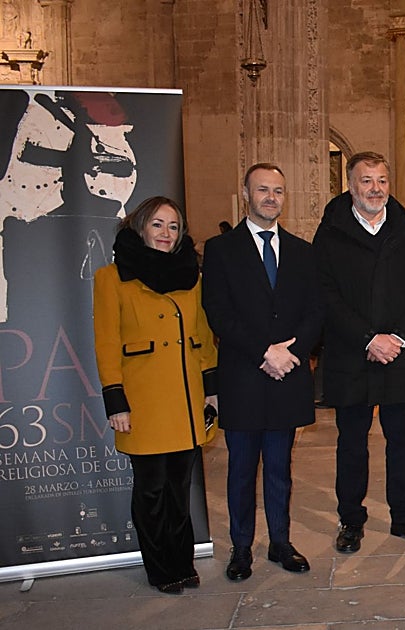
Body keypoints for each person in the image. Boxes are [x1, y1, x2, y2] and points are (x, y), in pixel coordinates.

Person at [202, 163, 324, 581]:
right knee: (240, 470)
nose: (271, 198)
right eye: (262, 190)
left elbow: (316, 311)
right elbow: (218, 312)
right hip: (244, 377)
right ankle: (241, 548)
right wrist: (265, 352)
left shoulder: (303, 251)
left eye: (278, 191)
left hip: (287, 376)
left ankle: (280, 543)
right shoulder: (221, 250)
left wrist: (290, 353)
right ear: (246, 195)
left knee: (279, 469)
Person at [313, 151, 405, 552]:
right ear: (350, 185)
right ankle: (351, 521)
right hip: (351, 355)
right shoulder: (331, 232)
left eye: (382, 180)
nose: (375, 189)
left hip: (401, 355)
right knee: (351, 444)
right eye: (366, 181)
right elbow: (324, 293)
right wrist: (369, 338)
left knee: (403, 443)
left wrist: (397, 337)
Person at [92, 196, 218, 594]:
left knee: (180, 489)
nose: (166, 233)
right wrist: (116, 400)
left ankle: (182, 561)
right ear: (140, 226)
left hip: (185, 397)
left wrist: (211, 392)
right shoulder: (111, 278)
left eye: (174, 226)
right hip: (143, 400)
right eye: (158, 224)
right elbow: (106, 343)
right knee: (151, 490)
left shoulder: (191, 277)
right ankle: (160, 567)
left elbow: (203, 337)